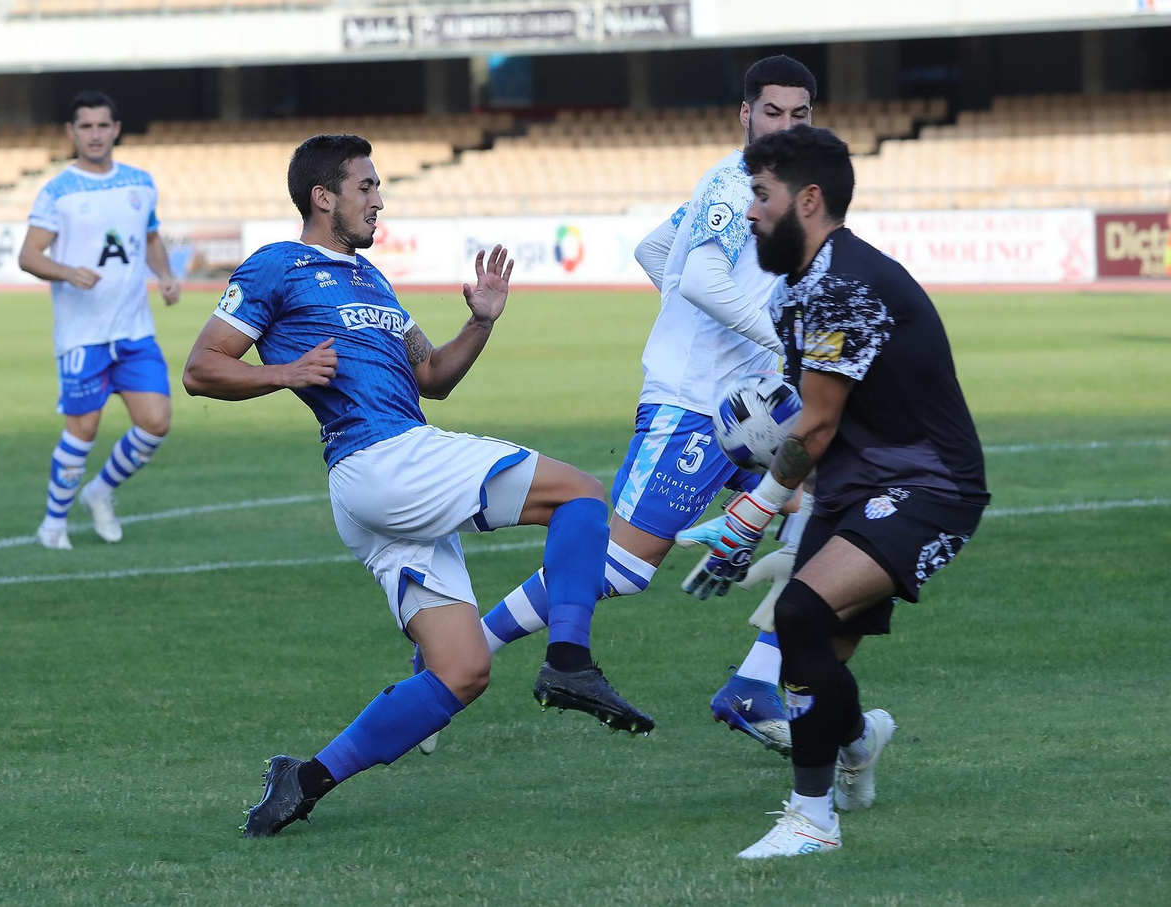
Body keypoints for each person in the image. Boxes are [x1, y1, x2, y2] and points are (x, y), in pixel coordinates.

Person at [182, 134, 650, 838]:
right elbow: (200, 368)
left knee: (461, 670)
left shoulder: (373, 281)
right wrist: (283, 373)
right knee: (580, 493)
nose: (378, 199)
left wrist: (480, 322)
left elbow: (432, 377)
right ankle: (569, 659)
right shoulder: (278, 265)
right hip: (383, 458)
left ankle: (301, 782)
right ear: (323, 196)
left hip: (377, 486)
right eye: (366, 187)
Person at [463, 54, 819, 756]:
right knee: (623, 570)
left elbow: (655, 248)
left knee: (826, 520)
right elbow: (695, 275)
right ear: (745, 115)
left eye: (800, 115)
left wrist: (728, 343)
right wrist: (773, 340)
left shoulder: (777, 185)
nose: (785, 125)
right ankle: (458, 649)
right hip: (693, 407)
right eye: (772, 112)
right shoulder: (733, 181)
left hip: (749, 408)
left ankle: (758, 682)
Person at [709, 124, 988, 858]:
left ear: (808, 198)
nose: (750, 212)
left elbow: (821, 421)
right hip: (858, 484)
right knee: (818, 645)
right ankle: (860, 740)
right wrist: (801, 510)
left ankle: (812, 821)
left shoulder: (843, 284)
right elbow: (821, 418)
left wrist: (756, 508)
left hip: (927, 486)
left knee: (799, 615)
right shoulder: (800, 288)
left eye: (761, 195)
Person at [18, 91, 182, 550]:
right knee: (83, 429)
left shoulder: (140, 183)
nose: (94, 134)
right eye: (85, 126)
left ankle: (101, 491)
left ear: (116, 129)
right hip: (82, 335)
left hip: (134, 330)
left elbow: (148, 237)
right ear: (71, 133)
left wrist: (165, 274)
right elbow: (29, 255)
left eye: (102, 125)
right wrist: (67, 271)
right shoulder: (57, 192)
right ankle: (52, 524)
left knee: (156, 422)